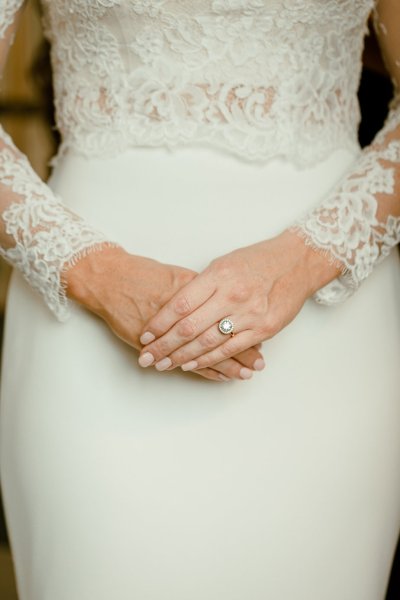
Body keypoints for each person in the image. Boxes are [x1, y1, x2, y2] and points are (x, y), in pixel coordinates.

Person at [0, 1, 399, 599]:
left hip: (325, 311)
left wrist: (305, 260)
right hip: (86, 307)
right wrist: (93, 271)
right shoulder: (91, 280)